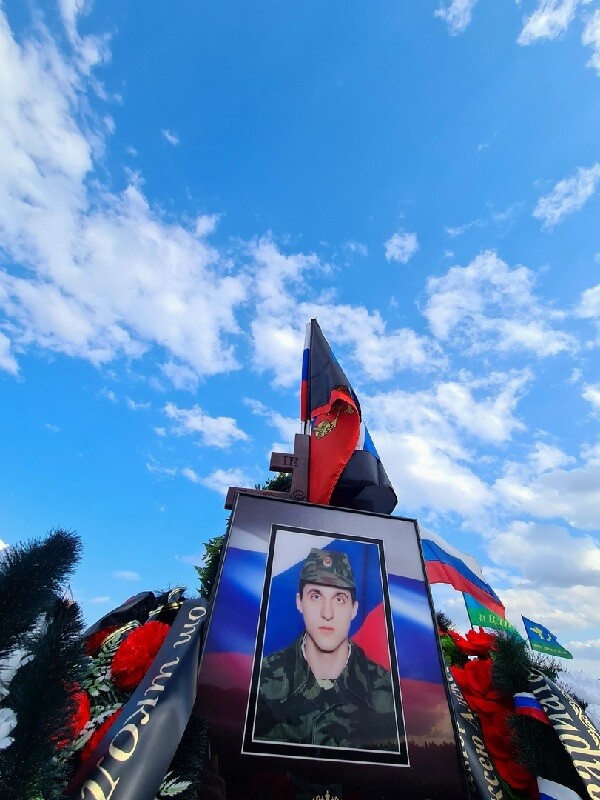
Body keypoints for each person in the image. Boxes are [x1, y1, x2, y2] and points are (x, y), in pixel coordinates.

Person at [254, 547, 400, 751]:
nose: (327, 613)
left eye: (339, 599)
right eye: (316, 596)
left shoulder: (388, 692)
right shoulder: (259, 680)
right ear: (299, 603)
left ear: (354, 609)